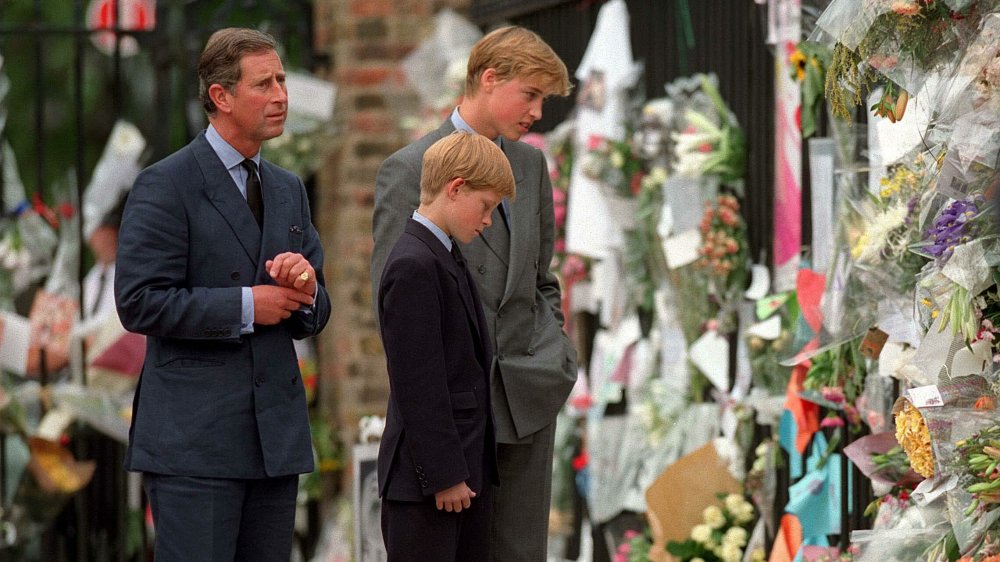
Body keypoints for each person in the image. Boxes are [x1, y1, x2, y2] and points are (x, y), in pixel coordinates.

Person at [115, 27, 331, 561]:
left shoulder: (287, 188)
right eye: (265, 83)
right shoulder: (166, 184)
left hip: (273, 443)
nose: (282, 94)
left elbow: (316, 309)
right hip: (195, 447)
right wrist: (245, 306)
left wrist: (306, 288)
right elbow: (139, 300)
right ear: (221, 96)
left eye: (282, 79)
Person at [371, 25, 578, 560]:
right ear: (489, 80)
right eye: (529, 94)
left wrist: (553, 352)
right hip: (459, 412)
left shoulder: (530, 164)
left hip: (528, 396)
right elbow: (395, 304)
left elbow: (540, 277)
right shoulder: (411, 168)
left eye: (543, 99)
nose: (537, 112)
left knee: (521, 551)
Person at [377, 130, 514, 562]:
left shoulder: (441, 253)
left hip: (458, 475)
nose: (489, 219)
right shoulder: (413, 264)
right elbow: (419, 383)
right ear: (456, 188)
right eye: (487, 206)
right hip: (430, 486)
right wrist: (444, 475)